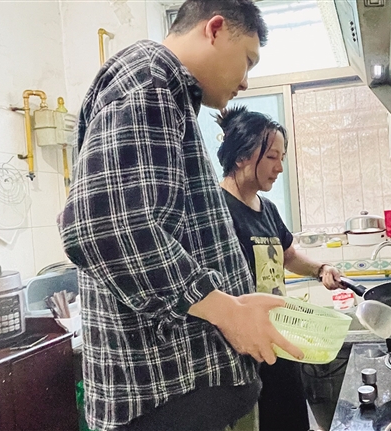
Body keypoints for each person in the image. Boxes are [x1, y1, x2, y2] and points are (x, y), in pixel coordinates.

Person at [58, 1, 303, 430]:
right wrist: (227, 311)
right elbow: (104, 227)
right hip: (160, 403)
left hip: (178, 400)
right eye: (247, 60)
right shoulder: (151, 80)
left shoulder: (167, 92)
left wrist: (234, 301)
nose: (246, 81)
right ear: (215, 29)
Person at [215, 106, 342, 431]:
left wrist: (320, 268)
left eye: (281, 157)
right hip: (243, 355)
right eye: (272, 157)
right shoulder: (216, 211)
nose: (280, 167)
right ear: (241, 157)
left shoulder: (267, 209)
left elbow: (287, 255)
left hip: (278, 342)